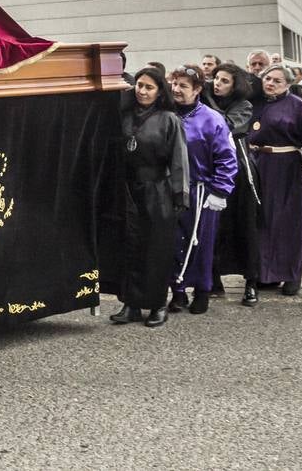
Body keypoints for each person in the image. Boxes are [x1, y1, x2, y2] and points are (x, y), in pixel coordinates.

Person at [110, 68, 188, 329]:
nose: (142, 91)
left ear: (159, 91)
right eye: (140, 85)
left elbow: (179, 160)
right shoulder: (124, 117)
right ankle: (131, 304)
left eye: (149, 87)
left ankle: (157, 304)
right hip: (128, 189)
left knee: (156, 249)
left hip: (158, 190)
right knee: (130, 247)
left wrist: (180, 194)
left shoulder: (169, 120)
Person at [247, 65, 302, 296]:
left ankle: (292, 275)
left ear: (288, 84)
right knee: (262, 221)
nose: (270, 83)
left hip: (287, 167)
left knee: (288, 222)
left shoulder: (299, 107)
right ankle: (266, 273)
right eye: (267, 78)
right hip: (259, 166)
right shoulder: (256, 103)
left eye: (277, 81)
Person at [167, 66, 237, 317]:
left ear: (197, 90)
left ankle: (203, 290)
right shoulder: (166, 114)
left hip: (201, 191)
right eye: (174, 83)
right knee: (174, 242)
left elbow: (228, 158)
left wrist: (220, 191)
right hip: (171, 190)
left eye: (183, 85)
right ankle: (177, 291)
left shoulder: (212, 119)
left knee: (201, 243)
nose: (176, 89)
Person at [203, 63, 260, 306]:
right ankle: (213, 279)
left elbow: (222, 127)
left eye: (225, 80)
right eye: (216, 78)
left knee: (245, 227)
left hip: (238, 173)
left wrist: (202, 106)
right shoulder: (204, 100)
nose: (217, 83)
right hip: (210, 169)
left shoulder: (244, 106)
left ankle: (251, 282)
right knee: (212, 229)